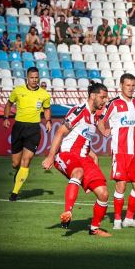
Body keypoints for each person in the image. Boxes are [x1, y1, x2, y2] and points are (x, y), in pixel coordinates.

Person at [42, 82, 111, 236]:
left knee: (104, 194)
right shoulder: (79, 111)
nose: (105, 100)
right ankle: (67, 213)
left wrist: (93, 156)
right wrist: (50, 156)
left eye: (106, 98)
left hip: (84, 157)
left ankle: (94, 229)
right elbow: (60, 132)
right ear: (93, 96)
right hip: (66, 154)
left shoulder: (94, 116)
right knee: (78, 172)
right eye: (102, 97)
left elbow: (83, 140)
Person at [98, 74, 135, 230]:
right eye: (127, 85)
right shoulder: (114, 104)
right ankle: (117, 220)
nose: (130, 88)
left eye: (133, 85)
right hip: (120, 151)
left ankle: (129, 218)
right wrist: (104, 131)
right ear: (121, 86)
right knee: (121, 186)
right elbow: (100, 119)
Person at [3, 67, 51, 201]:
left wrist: (48, 121)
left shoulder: (44, 94)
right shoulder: (18, 90)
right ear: (27, 78)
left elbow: (47, 109)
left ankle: (14, 192)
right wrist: (6, 118)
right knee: (15, 163)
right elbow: (8, 104)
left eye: (36, 77)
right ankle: (18, 174)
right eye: (32, 77)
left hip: (34, 129)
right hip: (18, 127)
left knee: (26, 160)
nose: (34, 80)